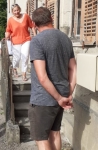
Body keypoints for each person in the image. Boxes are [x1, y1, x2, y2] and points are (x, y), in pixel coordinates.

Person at [28, 7, 77, 150]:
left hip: (44, 97)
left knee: (41, 138)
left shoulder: (37, 41)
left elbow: (42, 77)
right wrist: (67, 93)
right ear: (51, 18)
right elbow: (73, 68)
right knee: (54, 133)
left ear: (34, 23)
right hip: (61, 94)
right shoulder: (65, 38)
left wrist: (59, 98)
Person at [5, 3, 36, 81]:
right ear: (12, 12)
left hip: (26, 39)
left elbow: (32, 25)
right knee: (17, 58)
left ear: (20, 9)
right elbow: (8, 30)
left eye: (17, 10)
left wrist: (35, 35)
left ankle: (23, 74)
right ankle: (14, 68)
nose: (16, 12)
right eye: (14, 11)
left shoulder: (26, 16)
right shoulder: (10, 20)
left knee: (25, 57)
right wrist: (6, 37)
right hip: (15, 41)